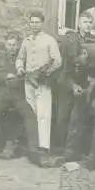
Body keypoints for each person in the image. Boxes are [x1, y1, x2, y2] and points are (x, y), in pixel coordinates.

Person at [0, 36, 39, 160]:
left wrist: (21, 76)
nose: (12, 48)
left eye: (14, 45)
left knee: (30, 115)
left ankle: (34, 150)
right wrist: (6, 76)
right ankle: (3, 144)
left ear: (18, 46)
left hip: (19, 93)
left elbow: (31, 75)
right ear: (5, 46)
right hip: (1, 92)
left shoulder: (24, 60)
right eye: (9, 45)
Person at [15, 10, 62, 157]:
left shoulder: (49, 40)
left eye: (37, 22)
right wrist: (20, 68)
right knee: (31, 113)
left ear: (42, 23)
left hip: (42, 81)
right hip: (28, 81)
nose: (34, 25)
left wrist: (46, 73)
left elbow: (58, 60)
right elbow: (20, 58)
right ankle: (33, 146)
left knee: (44, 114)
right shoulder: (26, 41)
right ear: (29, 23)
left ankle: (44, 146)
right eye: (32, 22)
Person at [52, 12, 95, 151]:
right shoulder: (69, 40)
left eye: (90, 22)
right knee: (63, 117)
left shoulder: (94, 41)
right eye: (85, 22)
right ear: (79, 23)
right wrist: (72, 85)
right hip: (67, 81)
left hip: (85, 84)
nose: (87, 25)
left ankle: (76, 149)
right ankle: (59, 149)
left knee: (81, 117)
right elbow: (61, 68)